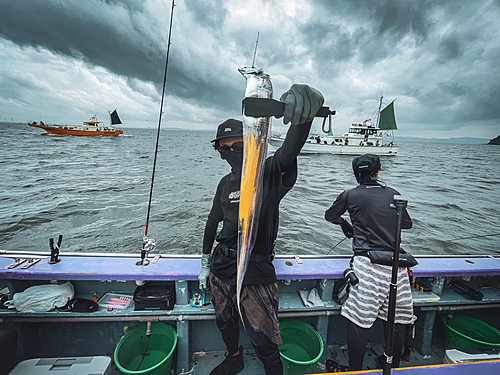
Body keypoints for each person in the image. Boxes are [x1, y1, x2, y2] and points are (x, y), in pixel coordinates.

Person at [198, 84, 324, 375]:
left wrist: (304, 118)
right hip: (222, 267)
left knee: (263, 336)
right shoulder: (224, 184)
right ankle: (234, 356)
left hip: (255, 273)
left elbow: (288, 152)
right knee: (224, 321)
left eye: (237, 145)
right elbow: (211, 220)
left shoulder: (266, 173)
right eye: (223, 147)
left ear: (249, 142)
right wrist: (205, 262)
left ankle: (271, 367)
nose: (230, 152)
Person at [324, 153, 413, 371]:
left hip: (368, 266)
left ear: (356, 174)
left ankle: (355, 369)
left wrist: (346, 222)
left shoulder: (350, 195)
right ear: (378, 172)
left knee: (357, 321)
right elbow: (407, 224)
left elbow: (330, 216)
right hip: (397, 267)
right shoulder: (394, 194)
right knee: (396, 320)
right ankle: (392, 365)